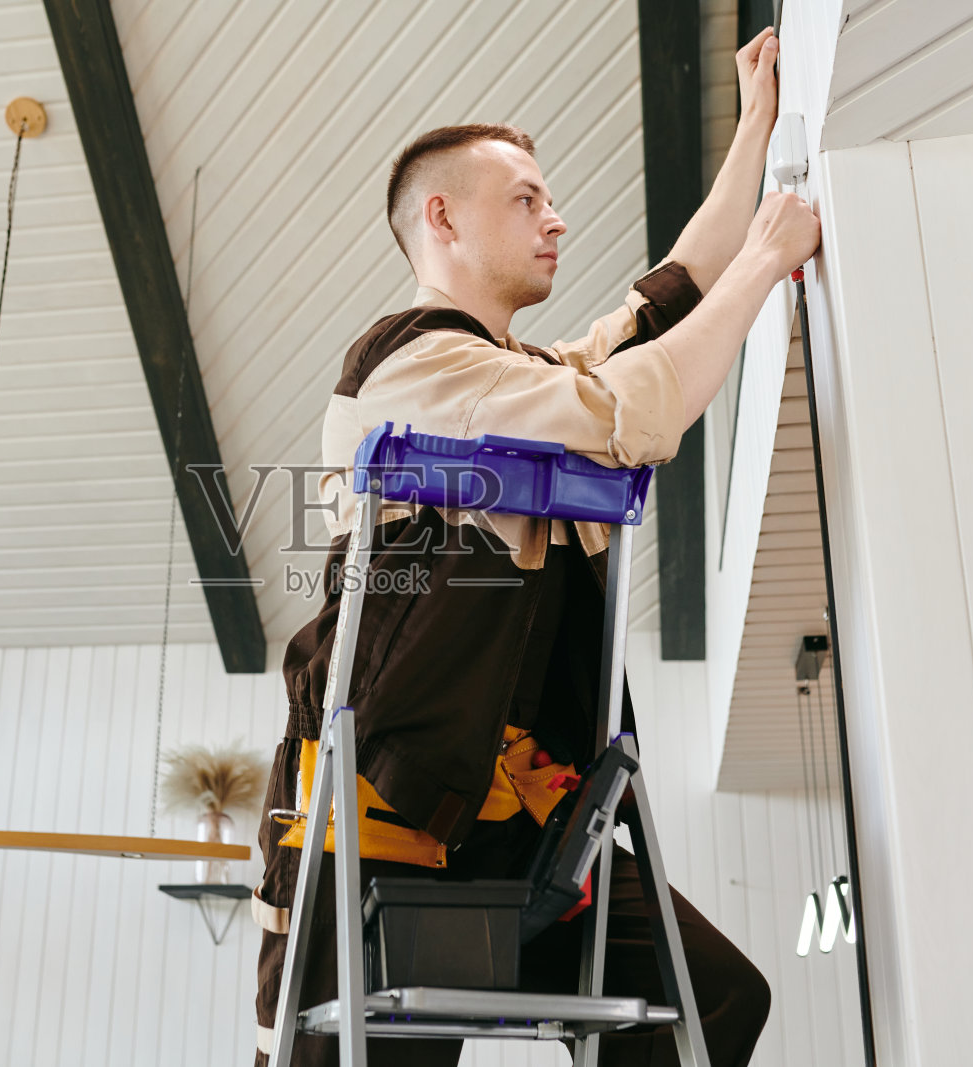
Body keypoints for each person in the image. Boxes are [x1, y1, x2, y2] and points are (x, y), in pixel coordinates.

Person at [251, 26, 821, 1067]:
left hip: (524, 810)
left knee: (713, 1002)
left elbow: (661, 309)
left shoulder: (515, 375)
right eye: (525, 197)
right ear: (441, 217)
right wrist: (770, 259)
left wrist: (757, 128)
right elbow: (635, 404)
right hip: (397, 797)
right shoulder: (416, 365)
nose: (555, 217)